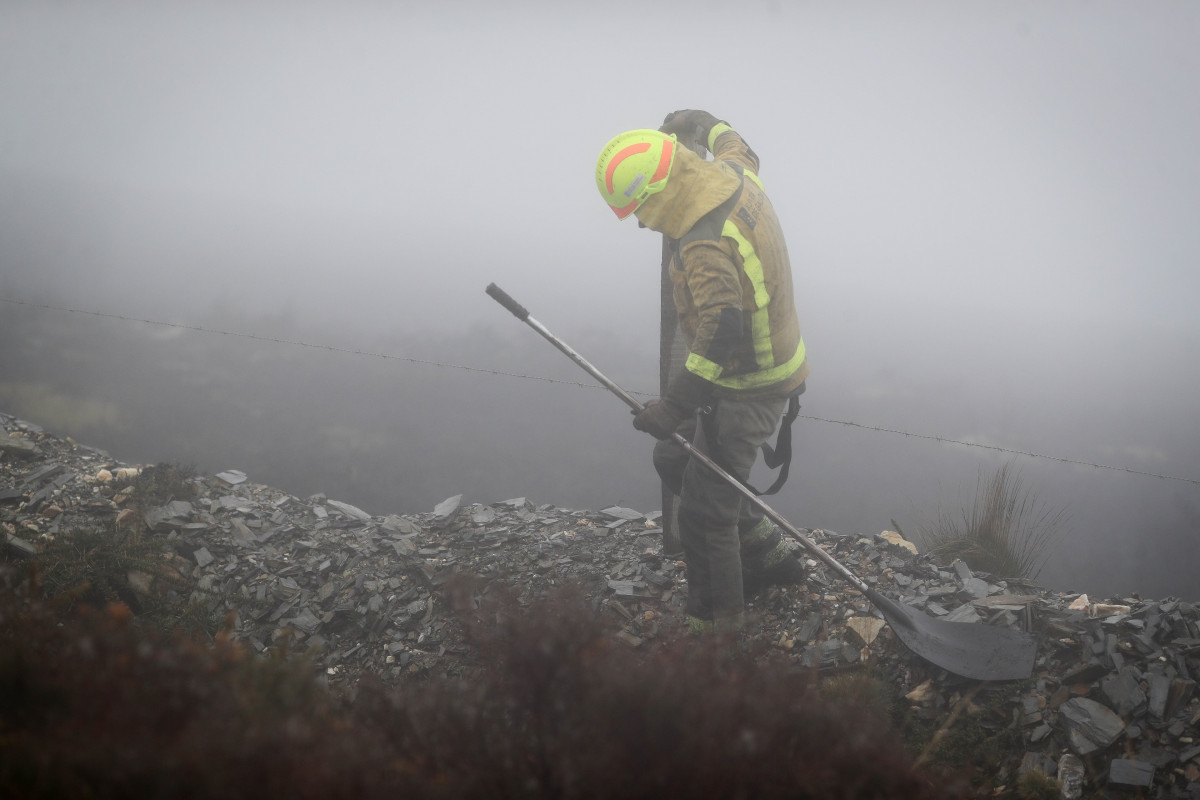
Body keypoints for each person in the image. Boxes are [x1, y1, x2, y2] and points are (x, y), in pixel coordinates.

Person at [594, 110, 809, 633]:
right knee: (673, 457)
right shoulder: (734, 175)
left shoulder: (702, 241)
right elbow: (736, 143)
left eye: (640, 208)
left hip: (748, 385)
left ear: (662, 188)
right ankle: (763, 551)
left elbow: (722, 330)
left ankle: (718, 641)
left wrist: (673, 406)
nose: (642, 223)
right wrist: (700, 118)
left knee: (704, 515)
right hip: (754, 372)